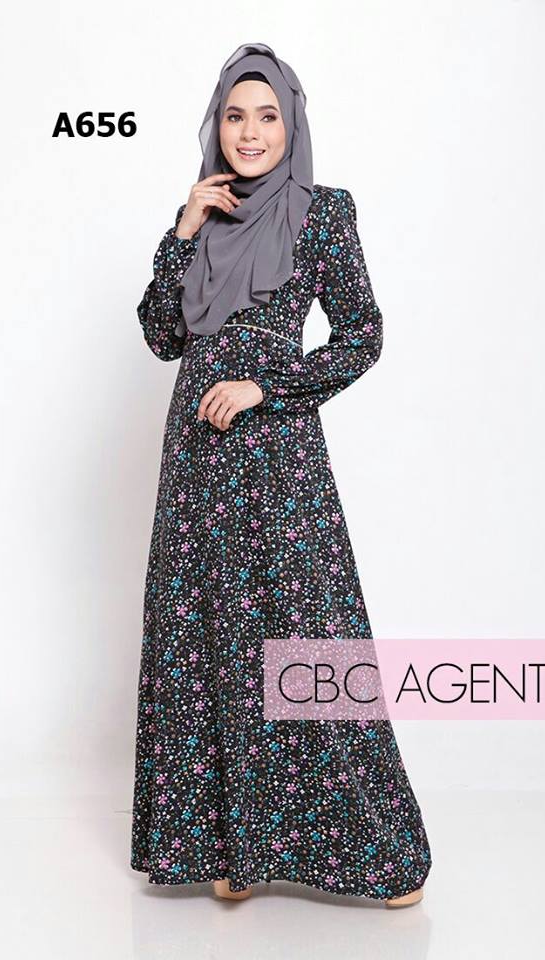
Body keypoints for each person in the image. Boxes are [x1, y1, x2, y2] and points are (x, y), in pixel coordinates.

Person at [130, 42, 432, 908]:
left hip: (276, 458)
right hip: (195, 463)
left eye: (267, 116)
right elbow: (161, 337)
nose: (250, 133)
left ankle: (382, 856)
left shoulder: (321, 213)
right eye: (234, 115)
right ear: (215, 125)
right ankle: (234, 850)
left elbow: (362, 335)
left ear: (291, 125)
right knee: (205, 643)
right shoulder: (201, 216)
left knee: (304, 638)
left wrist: (267, 386)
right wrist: (181, 233)